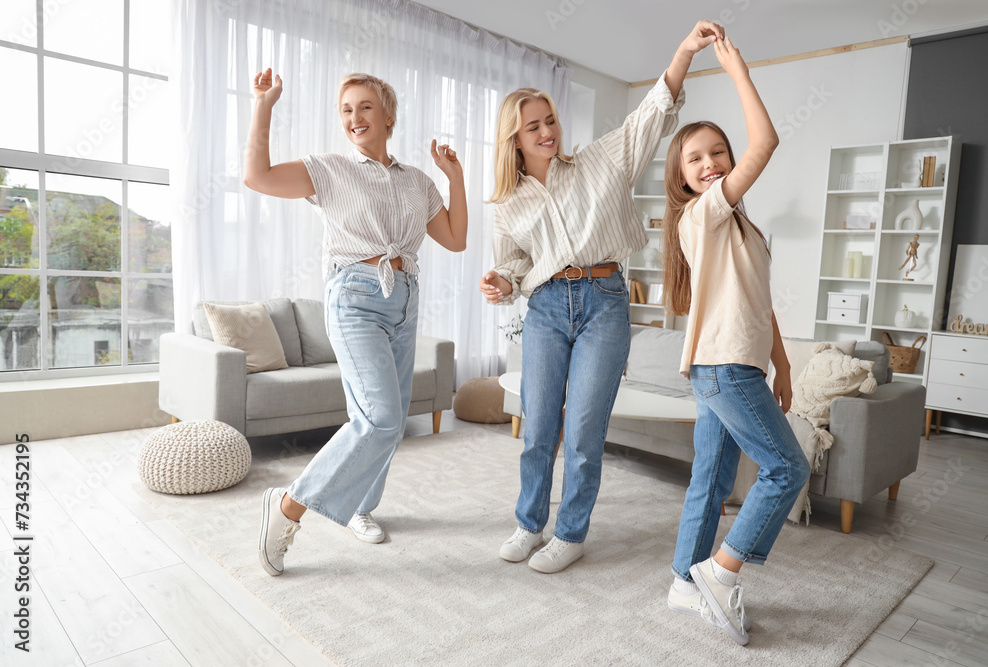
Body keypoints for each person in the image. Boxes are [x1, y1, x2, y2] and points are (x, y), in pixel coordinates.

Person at [480, 21, 725, 575]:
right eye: (533, 127)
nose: (547, 132)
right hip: (544, 308)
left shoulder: (598, 162)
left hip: (605, 301)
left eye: (550, 121)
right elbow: (513, 266)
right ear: (514, 139)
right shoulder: (507, 203)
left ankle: (570, 534)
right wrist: (500, 282)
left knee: (586, 430)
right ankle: (527, 524)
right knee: (538, 427)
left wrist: (684, 50)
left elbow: (653, 115)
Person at [244, 68, 468, 576]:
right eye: (346, 110)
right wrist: (264, 104)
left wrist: (455, 179)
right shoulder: (329, 170)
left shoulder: (417, 181)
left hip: (405, 299)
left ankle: (361, 507)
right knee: (383, 417)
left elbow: (454, 239)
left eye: (365, 107)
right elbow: (256, 176)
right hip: (354, 297)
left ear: (388, 116)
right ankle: (287, 507)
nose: (354, 117)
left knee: (380, 420)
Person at [660, 36, 810, 645]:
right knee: (786, 468)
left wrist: (785, 368)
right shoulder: (702, 215)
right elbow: (767, 142)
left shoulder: (743, 227)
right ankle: (723, 573)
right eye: (695, 159)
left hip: (730, 366)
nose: (711, 163)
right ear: (683, 179)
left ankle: (684, 581)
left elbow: (763, 307)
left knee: (712, 479)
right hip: (723, 367)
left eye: (718, 151)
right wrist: (737, 71)